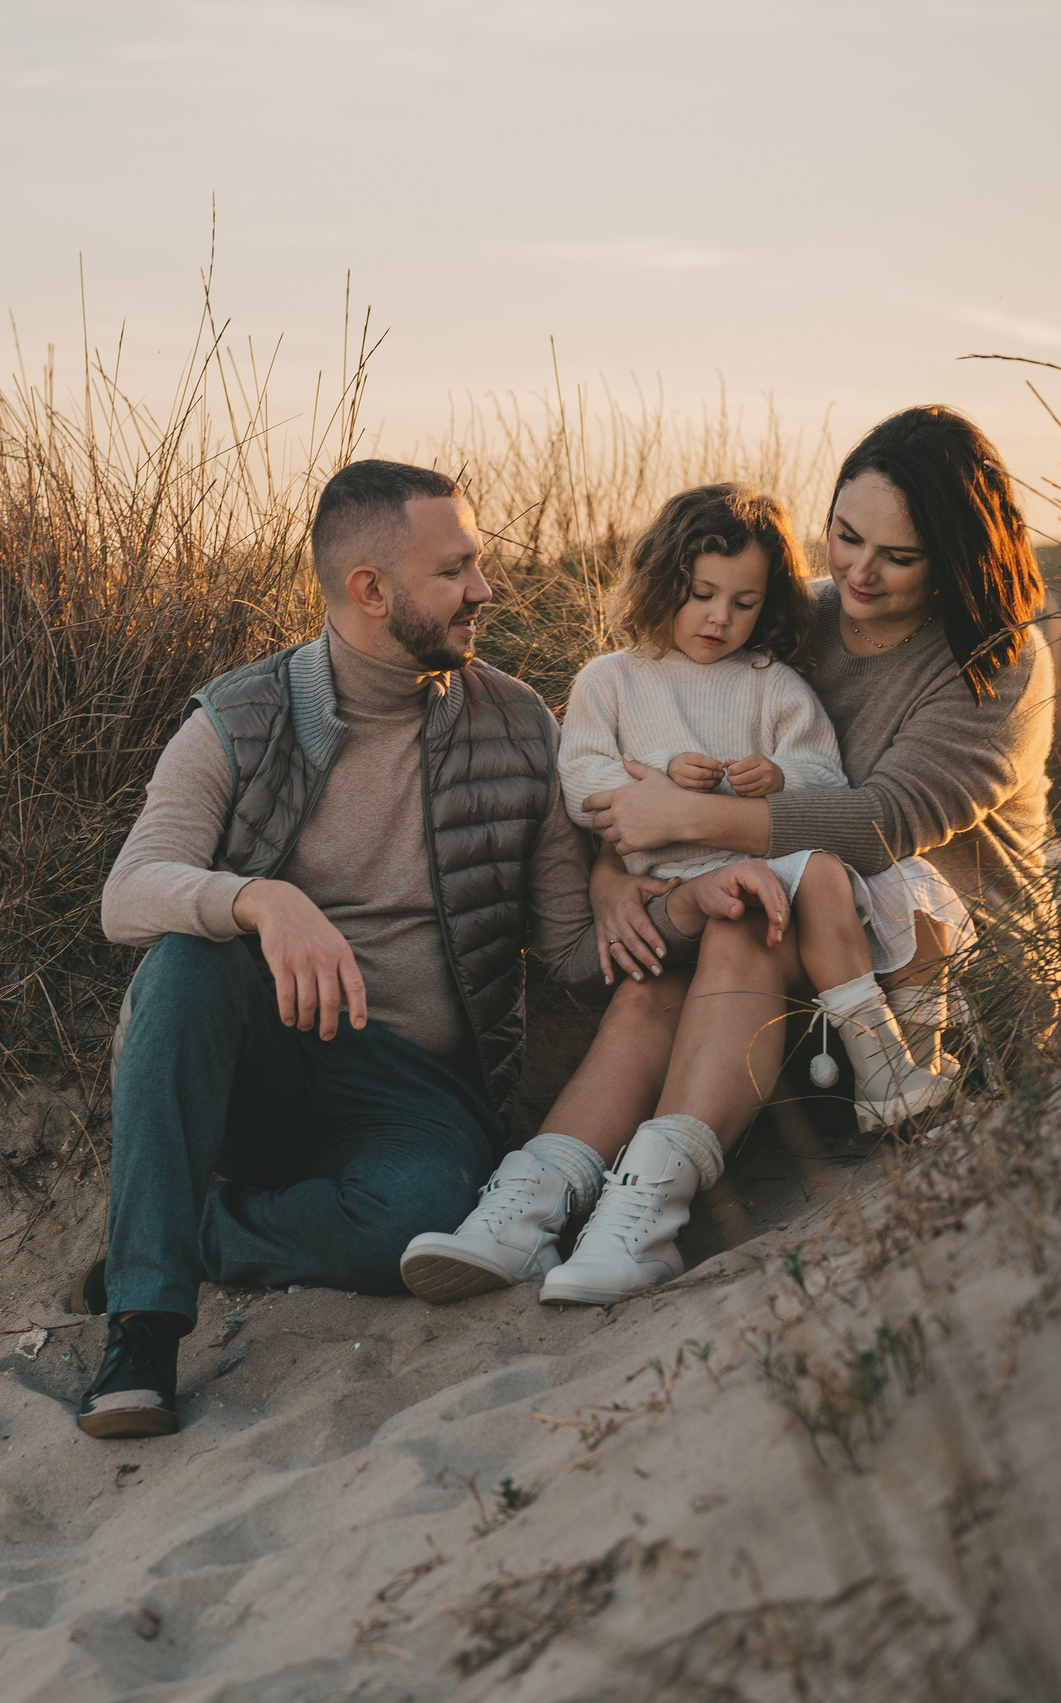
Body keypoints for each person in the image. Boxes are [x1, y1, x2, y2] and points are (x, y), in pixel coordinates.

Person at [70, 458, 614, 1439]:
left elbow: (573, 947)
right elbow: (128, 892)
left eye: (475, 563)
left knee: (423, 1226)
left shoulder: (516, 723)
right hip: (264, 1067)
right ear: (370, 589)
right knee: (188, 958)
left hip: (417, 1095)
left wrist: (672, 888)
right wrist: (259, 900)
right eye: (454, 570)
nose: (484, 589)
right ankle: (142, 1329)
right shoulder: (238, 718)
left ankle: (191, 1230)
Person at [399, 481, 973, 1305]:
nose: (719, 618)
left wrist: (774, 778)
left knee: (743, 917)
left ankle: (643, 1215)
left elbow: (823, 781)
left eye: (743, 602)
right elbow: (585, 781)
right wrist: (656, 794)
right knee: (643, 998)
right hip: (666, 900)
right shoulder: (613, 679)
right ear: (664, 582)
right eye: (701, 594)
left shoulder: (772, 682)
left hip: (761, 901)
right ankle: (527, 1209)